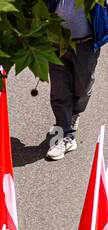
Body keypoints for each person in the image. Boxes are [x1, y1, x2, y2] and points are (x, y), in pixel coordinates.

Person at [46, 0, 101, 161]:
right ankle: (65, 136)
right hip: (56, 42)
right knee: (59, 89)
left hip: (87, 43)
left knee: (83, 87)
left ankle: (75, 113)